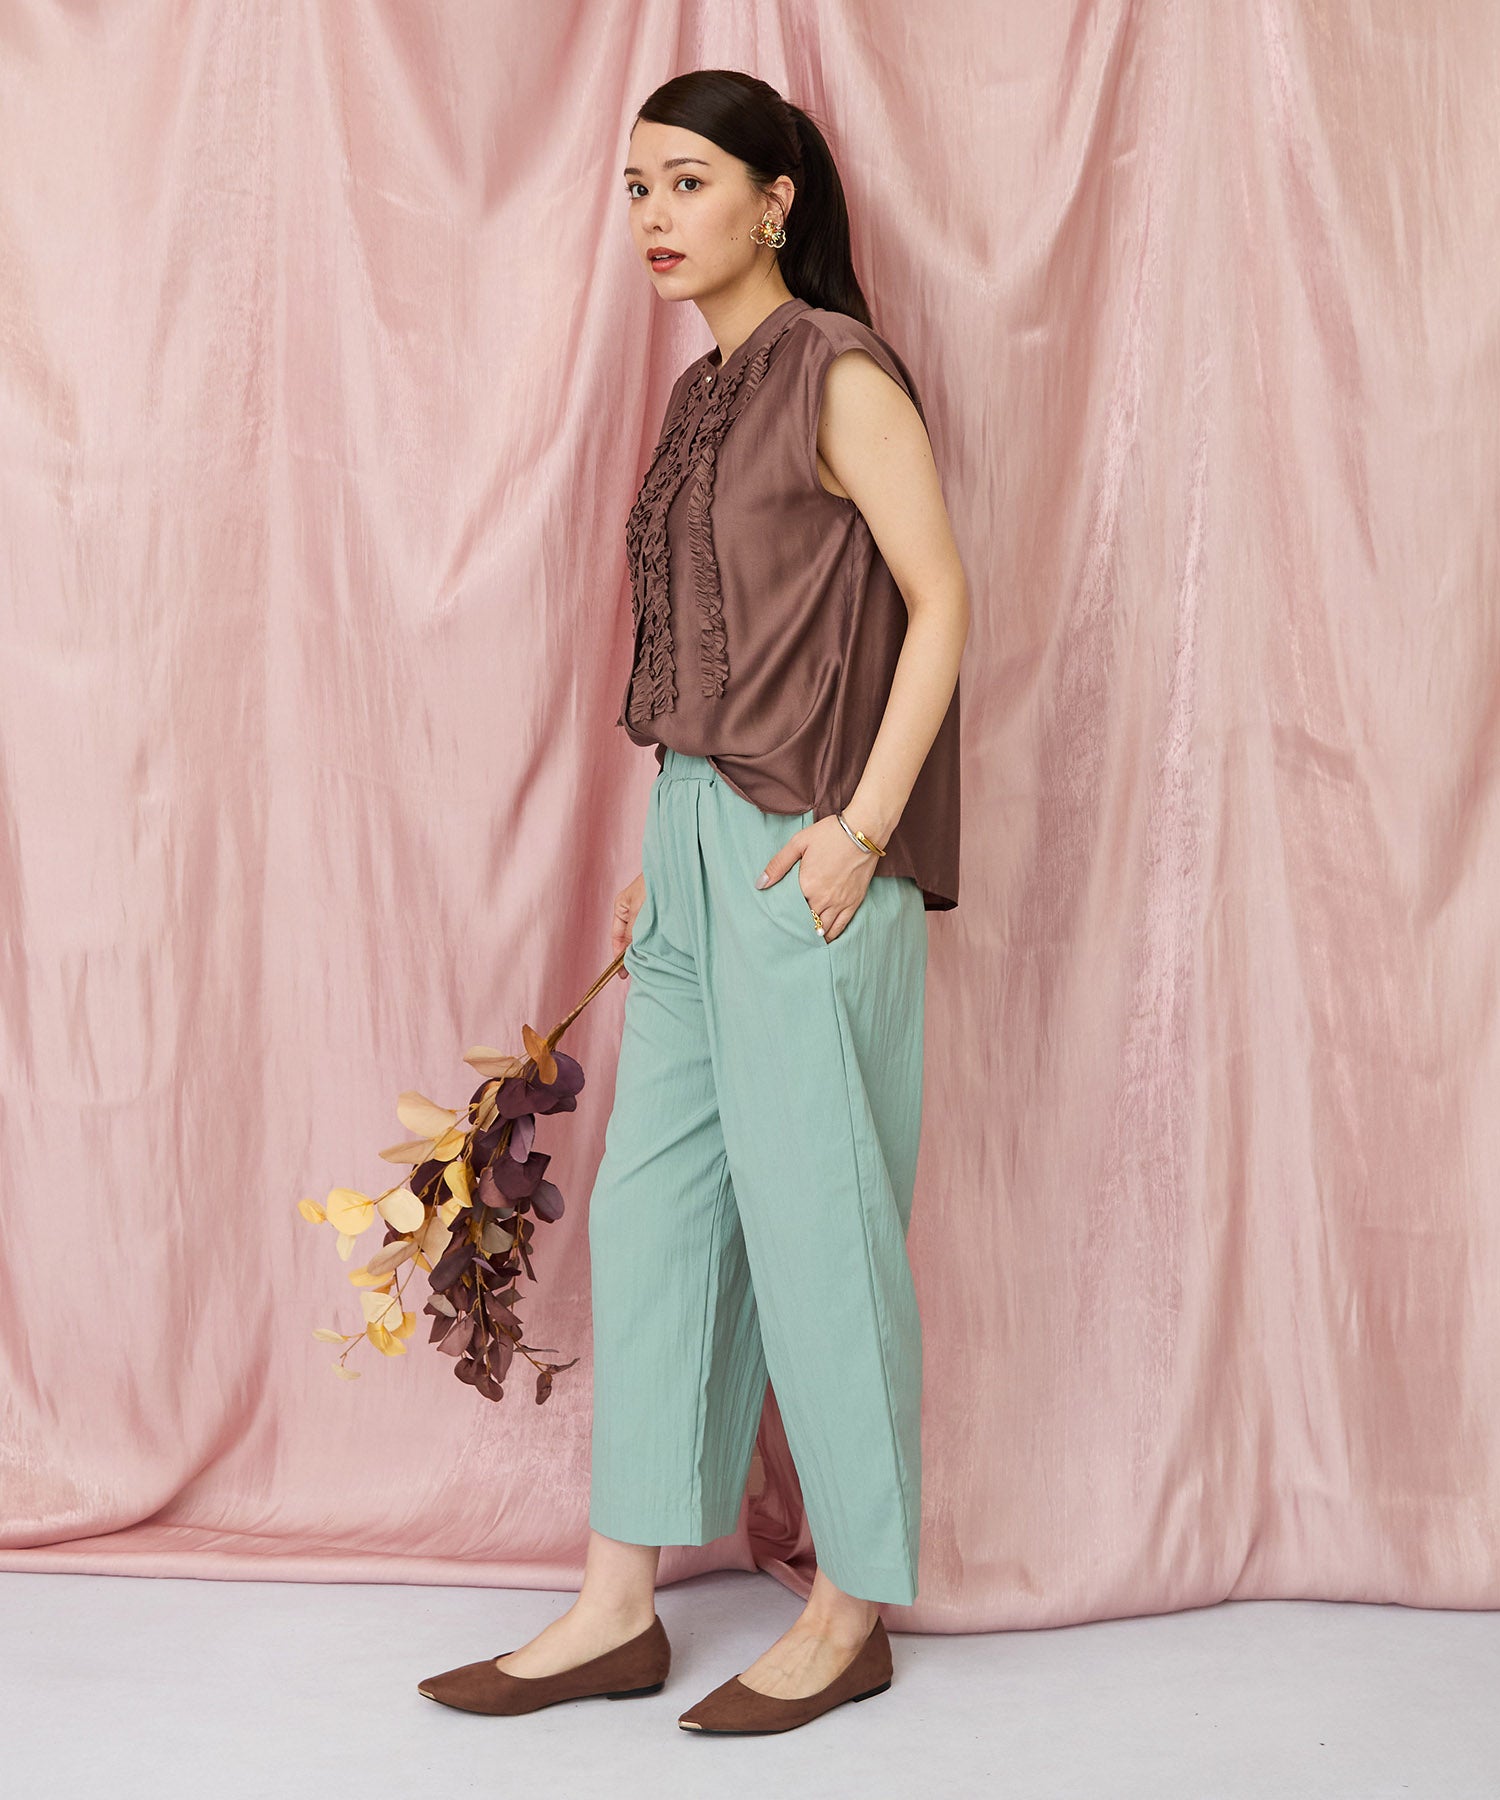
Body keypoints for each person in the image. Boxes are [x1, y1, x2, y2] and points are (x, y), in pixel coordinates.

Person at [419, 67, 967, 1736]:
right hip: (696, 843)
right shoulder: (699, 395)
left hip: (812, 852)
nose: (655, 218)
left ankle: (852, 1606)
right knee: (654, 1216)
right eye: (637, 190)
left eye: (689, 184)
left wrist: (862, 830)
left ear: (774, 200)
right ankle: (616, 1606)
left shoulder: (838, 370)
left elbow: (943, 602)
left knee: (820, 1230)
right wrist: (676, 842)